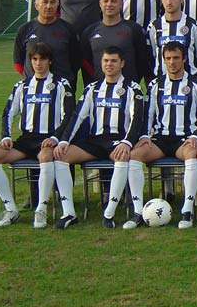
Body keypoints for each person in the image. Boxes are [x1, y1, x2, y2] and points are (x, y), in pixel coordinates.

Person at [50, 46, 145, 229]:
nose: (109, 64)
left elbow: (137, 119)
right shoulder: (93, 88)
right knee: (61, 156)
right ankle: (68, 213)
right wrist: (64, 141)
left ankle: (108, 213)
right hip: (95, 141)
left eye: (113, 61)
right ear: (101, 63)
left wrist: (127, 142)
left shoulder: (132, 88)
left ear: (122, 63)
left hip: (118, 140)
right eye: (106, 61)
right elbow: (77, 116)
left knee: (122, 157)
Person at [0, 43, 75, 228]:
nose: (38, 63)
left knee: (44, 157)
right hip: (26, 139)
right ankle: (10, 209)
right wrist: (6, 137)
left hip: (48, 139)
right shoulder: (23, 86)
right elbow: (9, 112)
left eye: (42, 59)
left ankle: (40, 210)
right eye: (34, 59)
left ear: (49, 60)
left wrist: (55, 138)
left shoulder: (61, 84)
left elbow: (68, 115)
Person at [128, 42, 197, 229]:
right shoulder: (155, 85)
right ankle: (137, 212)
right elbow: (147, 114)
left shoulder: (196, 84)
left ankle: (187, 209)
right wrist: (144, 135)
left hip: (184, 139)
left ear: (184, 58)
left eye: (176, 58)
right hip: (160, 140)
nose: (172, 62)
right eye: (168, 58)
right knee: (134, 155)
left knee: (192, 154)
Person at [13, 0, 80, 91]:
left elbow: (75, 61)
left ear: (58, 5)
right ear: (36, 5)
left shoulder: (68, 29)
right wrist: (34, 77)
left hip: (62, 90)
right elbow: (18, 62)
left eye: (53, 2)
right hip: (32, 90)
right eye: (45, 2)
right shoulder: (24, 30)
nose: (49, 6)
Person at [79, 0, 149, 85]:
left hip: (126, 89)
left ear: (121, 4)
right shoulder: (89, 32)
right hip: (99, 90)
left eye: (113, 1)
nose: (109, 4)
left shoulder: (133, 29)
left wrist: (133, 81)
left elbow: (141, 60)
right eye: (106, 1)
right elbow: (86, 63)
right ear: (100, 4)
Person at [146, 0, 197, 80]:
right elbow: (150, 56)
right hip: (162, 84)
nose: (169, 2)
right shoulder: (154, 26)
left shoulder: (194, 26)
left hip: (188, 84)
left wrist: (193, 78)